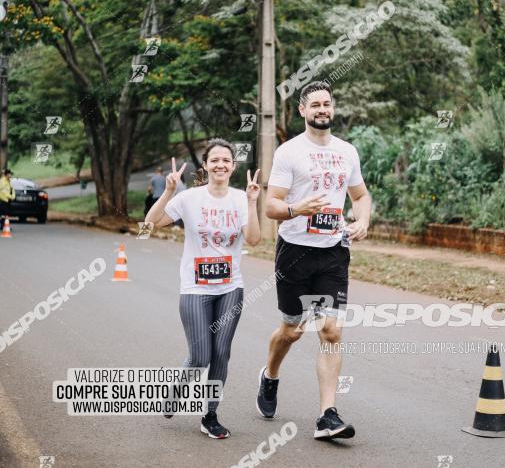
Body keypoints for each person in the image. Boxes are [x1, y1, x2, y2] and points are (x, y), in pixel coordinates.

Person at [256, 81, 371, 441]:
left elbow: (360, 194)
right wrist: (296, 208)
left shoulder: (346, 151)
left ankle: (327, 415)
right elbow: (271, 206)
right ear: (302, 111)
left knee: (330, 330)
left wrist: (362, 220)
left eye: (327, 103)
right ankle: (270, 376)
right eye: (315, 104)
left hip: (333, 252)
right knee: (292, 330)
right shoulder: (290, 152)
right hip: (295, 252)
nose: (323, 109)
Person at [145, 141, 261, 438]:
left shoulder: (239, 198)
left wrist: (251, 202)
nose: (221, 164)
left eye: (227, 160)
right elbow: (151, 223)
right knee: (200, 357)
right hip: (195, 288)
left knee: (221, 353)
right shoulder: (190, 198)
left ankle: (210, 415)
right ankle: (176, 393)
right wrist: (169, 190)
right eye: (215, 160)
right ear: (206, 165)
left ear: (233, 166)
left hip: (230, 288)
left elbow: (255, 240)